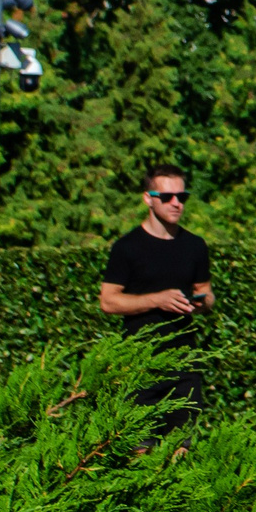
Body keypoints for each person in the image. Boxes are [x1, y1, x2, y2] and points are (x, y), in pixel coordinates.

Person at [99, 165, 214, 434]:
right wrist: (157, 300)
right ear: (148, 199)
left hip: (184, 361)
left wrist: (202, 303)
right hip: (139, 362)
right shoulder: (127, 247)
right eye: (167, 197)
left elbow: (207, 293)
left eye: (182, 197)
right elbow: (108, 301)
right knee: (140, 447)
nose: (176, 203)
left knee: (180, 448)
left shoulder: (195, 245)